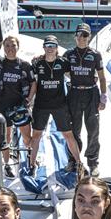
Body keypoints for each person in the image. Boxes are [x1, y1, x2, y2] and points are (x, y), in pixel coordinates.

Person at [29, 35, 82, 175]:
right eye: (47, 46)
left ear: (57, 48)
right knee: (36, 135)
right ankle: (32, 164)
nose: (50, 48)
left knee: (68, 134)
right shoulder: (37, 63)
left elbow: (74, 76)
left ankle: (79, 163)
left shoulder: (64, 62)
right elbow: (33, 83)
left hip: (60, 105)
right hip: (41, 105)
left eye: (53, 46)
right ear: (44, 47)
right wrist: (29, 99)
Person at [63, 23, 107, 177]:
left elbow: (102, 77)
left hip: (91, 95)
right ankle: (73, 160)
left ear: (89, 37)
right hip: (74, 94)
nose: (82, 38)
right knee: (74, 130)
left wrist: (104, 97)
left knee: (93, 130)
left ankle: (93, 162)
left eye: (85, 35)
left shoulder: (96, 54)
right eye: (79, 35)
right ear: (75, 36)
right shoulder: (68, 54)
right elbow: (61, 69)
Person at [0, 35, 35, 178]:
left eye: (13, 45)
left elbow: (33, 82)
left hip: (20, 107)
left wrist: (29, 98)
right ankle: (7, 164)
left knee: (27, 138)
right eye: (7, 46)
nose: (10, 49)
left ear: (18, 47)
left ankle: (31, 160)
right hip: (3, 106)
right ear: (3, 48)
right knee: (6, 138)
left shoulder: (24, 65)